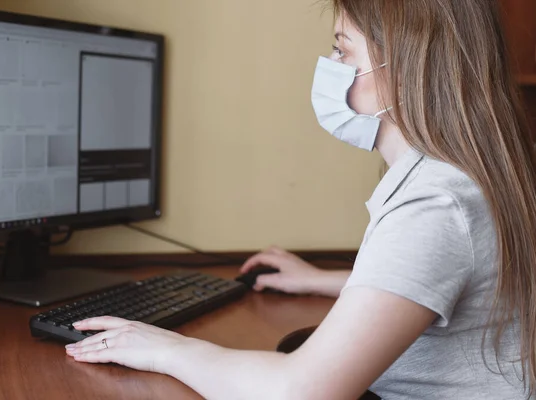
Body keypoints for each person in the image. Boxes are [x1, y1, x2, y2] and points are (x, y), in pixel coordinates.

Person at [65, 0, 536, 399]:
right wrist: (326, 280)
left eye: (341, 48)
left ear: (405, 66)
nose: (330, 65)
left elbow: (301, 391)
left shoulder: (435, 203)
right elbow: (437, 278)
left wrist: (165, 348)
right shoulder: (461, 178)